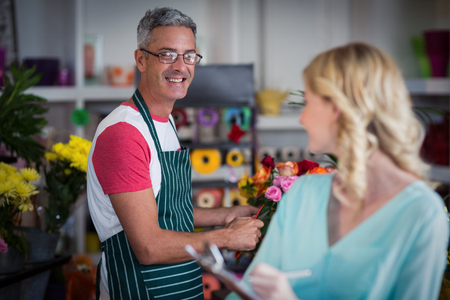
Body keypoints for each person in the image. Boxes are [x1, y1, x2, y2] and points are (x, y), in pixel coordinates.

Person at [226, 43, 449, 300]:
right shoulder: (303, 193)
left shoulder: (421, 212)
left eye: (308, 103)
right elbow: (250, 289)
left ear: (336, 109)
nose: (302, 118)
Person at [87, 7, 263, 300]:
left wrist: (226, 214)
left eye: (189, 55)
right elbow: (148, 246)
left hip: (181, 284)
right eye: (167, 54)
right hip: (140, 289)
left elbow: (163, 212)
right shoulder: (123, 134)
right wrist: (226, 237)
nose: (181, 67)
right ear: (141, 60)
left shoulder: (164, 120)